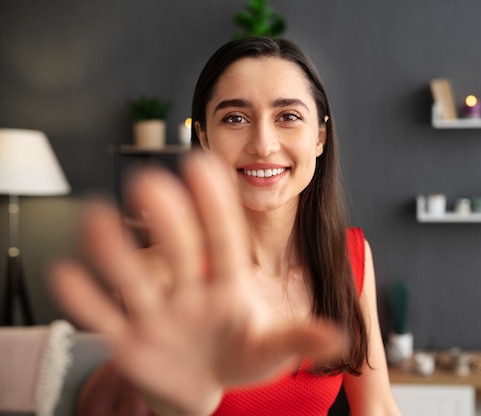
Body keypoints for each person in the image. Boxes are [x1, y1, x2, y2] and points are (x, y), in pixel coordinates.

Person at [51, 37, 401, 416]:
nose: (263, 145)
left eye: (288, 116)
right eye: (235, 118)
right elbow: (174, 402)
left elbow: (377, 407)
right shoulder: (158, 272)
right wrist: (190, 395)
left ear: (319, 136)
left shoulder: (348, 256)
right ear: (203, 137)